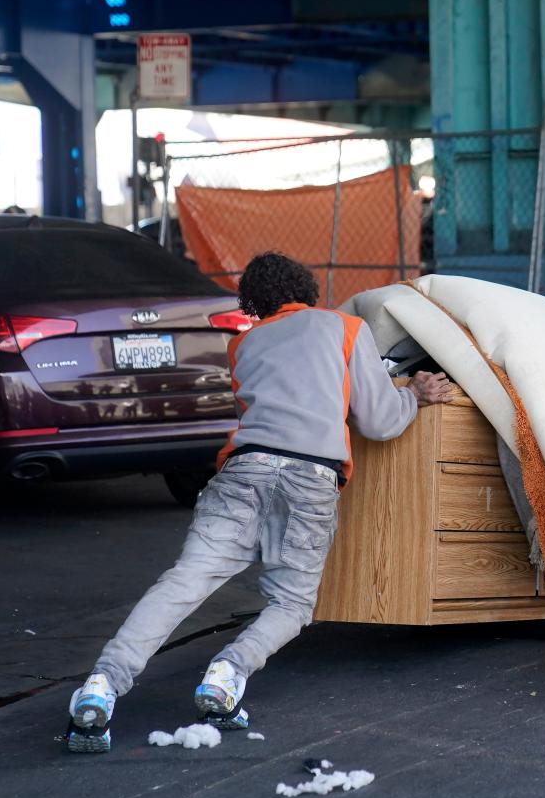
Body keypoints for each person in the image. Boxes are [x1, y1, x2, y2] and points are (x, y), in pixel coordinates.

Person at [64, 252, 452, 753]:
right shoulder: (344, 326)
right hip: (310, 479)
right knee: (290, 603)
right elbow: (378, 422)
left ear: (254, 304)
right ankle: (227, 674)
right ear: (306, 289)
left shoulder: (243, 345)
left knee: (183, 584)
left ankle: (101, 684)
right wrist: (414, 396)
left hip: (242, 473)